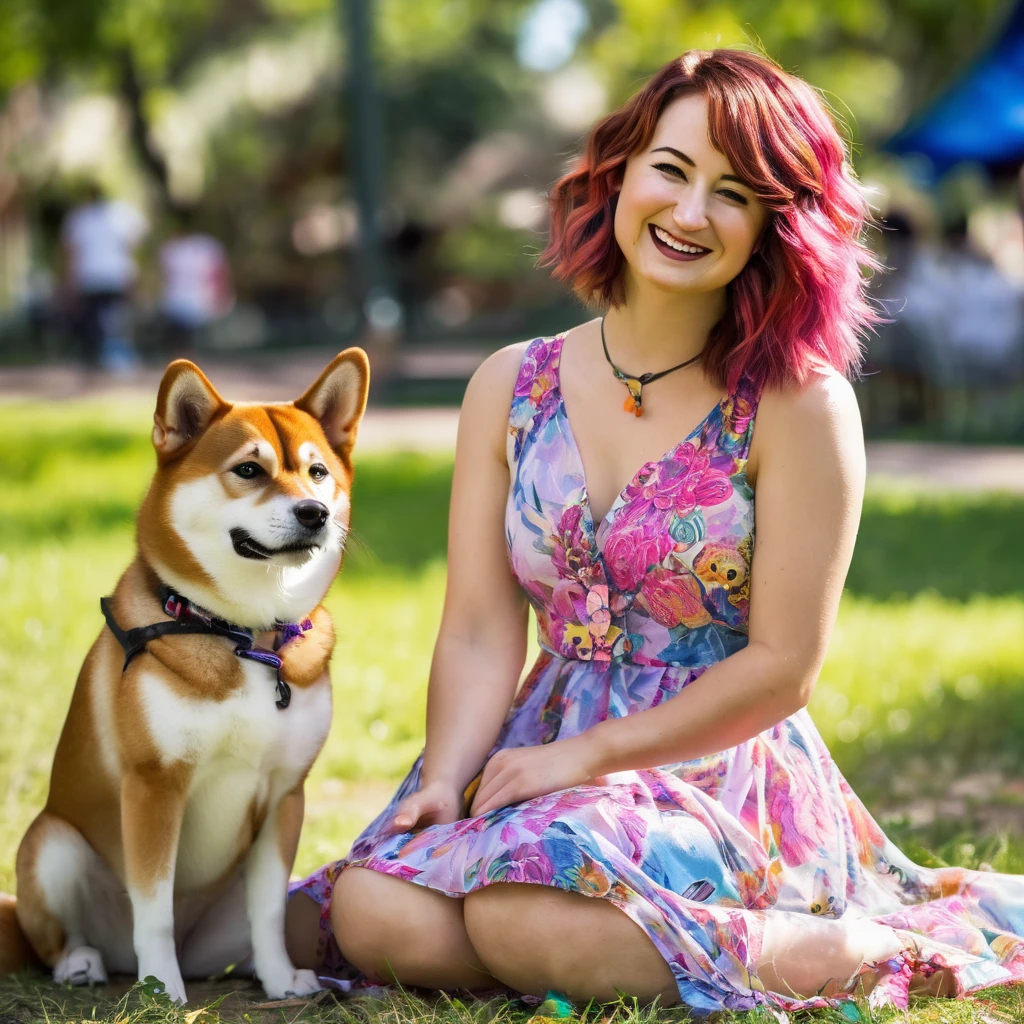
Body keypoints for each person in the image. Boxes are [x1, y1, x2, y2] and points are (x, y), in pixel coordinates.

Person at [284, 49, 1024, 1015]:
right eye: (670, 170)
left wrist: (584, 760)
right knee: (375, 912)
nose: (687, 213)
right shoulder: (511, 384)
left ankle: (849, 946)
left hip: (708, 765)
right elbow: (477, 624)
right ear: (621, 172)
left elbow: (783, 667)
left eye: (733, 194)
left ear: (774, 227)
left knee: (522, 916)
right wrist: (451, 774)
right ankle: (585, 948)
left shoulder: (799, 404)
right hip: (530, 747)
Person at [59, 182, 148, 370]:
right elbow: (132, 243)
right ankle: (111, 360)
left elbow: (73, 253)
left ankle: (98, 361)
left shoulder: (79, 219)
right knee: (114, 321)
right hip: (115, 276)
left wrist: (69, 282)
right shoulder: (121, 215)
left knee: (93, 322)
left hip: (89, 277)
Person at [157, 206, 233, 359]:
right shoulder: (172, 248)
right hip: (179, 301)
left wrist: (220, 294)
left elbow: (219, 273)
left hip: (197, 300)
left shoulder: (205, 246)